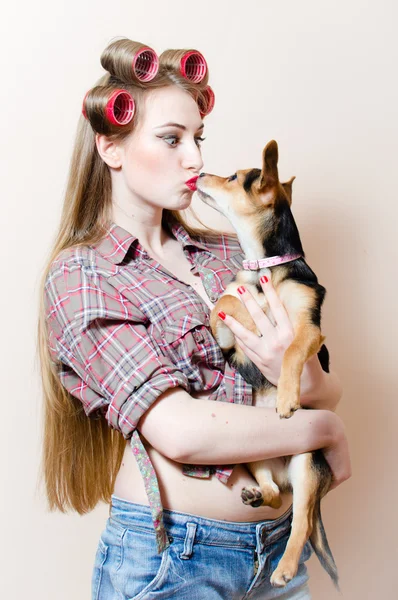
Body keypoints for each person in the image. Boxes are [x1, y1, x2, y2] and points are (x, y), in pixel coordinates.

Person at [38, 37, 351, 600]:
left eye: (198, 139)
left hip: (278, 552)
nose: (197, 160)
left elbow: (318, 388)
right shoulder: (83, 276)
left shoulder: (234, 254)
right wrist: (326, 431)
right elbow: (180, 431)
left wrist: (303, 378)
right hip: (172, 561)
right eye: (171, 139)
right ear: (111, 147)